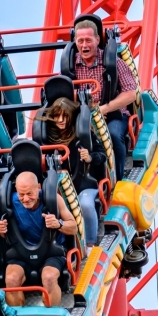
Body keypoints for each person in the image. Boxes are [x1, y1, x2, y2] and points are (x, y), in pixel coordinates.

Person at [0, 172, 76, 308]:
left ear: (38, 187)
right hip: (21, 253)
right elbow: (4, 235)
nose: (26, 199)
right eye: (21, 194)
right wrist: (0, 230)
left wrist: (58, 224)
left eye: (30, 193)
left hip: (51, 252)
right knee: (11, 279)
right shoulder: (9, 203)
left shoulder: (53, 199)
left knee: (49, 278)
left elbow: (73, 227)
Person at [71, 19, 138, 180]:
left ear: (98, 40)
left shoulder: (114, 63)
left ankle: (119, 178)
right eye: (80, 41)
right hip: (83, 117)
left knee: (113, 135)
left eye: (88, 40)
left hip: (113, 115)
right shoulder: (70, 66)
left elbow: (131, 93)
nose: (84, 45)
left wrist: (103, 109)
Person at [38, 97, 106, 246]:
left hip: (83, 184)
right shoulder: (47, 138)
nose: (61, 120)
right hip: (58, 188)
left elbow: (103, 155)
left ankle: (89, 244)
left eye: (65, 116)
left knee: (85, 204)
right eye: (57, 116)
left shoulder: (82, 134)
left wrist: (90, 157)